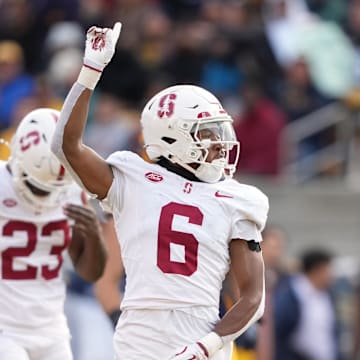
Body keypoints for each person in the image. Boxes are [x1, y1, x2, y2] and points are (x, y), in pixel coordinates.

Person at [51, 22, 269, 360]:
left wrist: (205, 346)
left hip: (203, 335)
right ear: (173, 137)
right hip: (142, 336)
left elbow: (253, 298)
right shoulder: (132, 178)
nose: (220, 144)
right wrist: (90, 72)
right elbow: (67, 146)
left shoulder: (238, 198)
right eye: (208, 133)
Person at [0, 108, 107, 360]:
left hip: (52, 329)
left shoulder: (70, 190)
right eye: (37, 184)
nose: (43, 195)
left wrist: (93, 235)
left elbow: (91, 273)